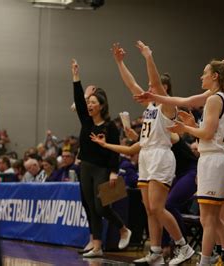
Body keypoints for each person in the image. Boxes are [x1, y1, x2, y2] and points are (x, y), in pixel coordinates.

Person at [111, 41, 194, 264]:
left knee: (158, 207)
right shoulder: (150, 106)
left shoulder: (169, 107)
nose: (148, 87)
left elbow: (156, 84)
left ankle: (183, 247)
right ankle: (155, 252)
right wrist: (120, 63)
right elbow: (132, 85)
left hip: (161, 156)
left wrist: (148, 57)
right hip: (146, 155)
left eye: (153, 85)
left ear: (163, 89)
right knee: (149, 209)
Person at [167, 60, 224, 266]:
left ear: (215, 76)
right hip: (212, 158)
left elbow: (207, 133)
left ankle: (205, 260)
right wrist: (192, 125)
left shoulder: (216, 99)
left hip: (215, 160)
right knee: (211, 218)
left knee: (210, 218)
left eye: (204, 73)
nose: (200, 77)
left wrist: (186, 129)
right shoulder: (223, 98)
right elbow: (207, 135)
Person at [71, 59, 131, 258]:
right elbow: (79, 100)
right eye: (88, 103)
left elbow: (115, 152)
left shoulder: (110, 127)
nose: (89, 105)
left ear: (101, 106)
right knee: (91, 207)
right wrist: (76, 78)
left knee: (101, 206)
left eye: (93, 103)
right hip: (86, 167)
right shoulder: (86, 121)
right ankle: (97, 246)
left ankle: (123, 229)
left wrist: (114, 172)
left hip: (103, 169)